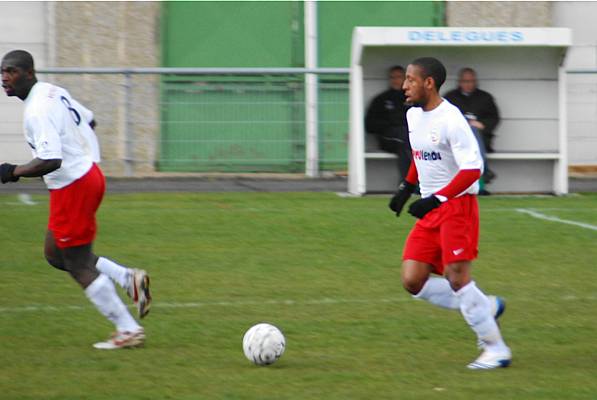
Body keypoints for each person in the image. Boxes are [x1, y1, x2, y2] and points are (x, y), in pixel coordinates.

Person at [1, 50, 152, 349]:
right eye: (2, 71)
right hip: (82, 178)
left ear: (29, 72)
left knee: (78, 264)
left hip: (74, 185)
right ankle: (127, 278)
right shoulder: (52, 91)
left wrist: (11, 172)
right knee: (55, 254)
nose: (5, 77)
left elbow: (51, 160)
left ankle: (129, 330)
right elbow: (90, 120)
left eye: (12, 71)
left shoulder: (37, 111)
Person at [388, 57, 511, 369]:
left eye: (411, 80)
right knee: (412, 280)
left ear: (429, 83)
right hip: (433, 208)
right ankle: (484, 305)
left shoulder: (452, 119)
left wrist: (437, 198)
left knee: (458, 278)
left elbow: (473, 169)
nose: (404, 86)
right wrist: (406, 186)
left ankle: (495, 348)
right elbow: (421, 154)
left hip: (457, 207)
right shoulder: (414, 116)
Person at [444, 67, 499, 189]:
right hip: (455, 139)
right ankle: (484, 171)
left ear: (476, 81)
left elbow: (494, 118)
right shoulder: (450, 97)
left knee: (473, 132)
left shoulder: (485, 97)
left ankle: (478, 183)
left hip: (482, 138)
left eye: (471, 81)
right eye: (465, 81)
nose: (468, 84)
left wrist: (482, 124)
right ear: (459, 82)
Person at [365, 65, 412, 180]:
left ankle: (413, 184)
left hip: (409, 137)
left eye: (399, 77)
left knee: (412, 142)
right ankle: (408, 183)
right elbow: (369, 125)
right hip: (387, 138)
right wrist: (389, 124)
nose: (396, 80)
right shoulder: (381, 100)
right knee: (404, 140)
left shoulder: (412, 98)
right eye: (393, 77)